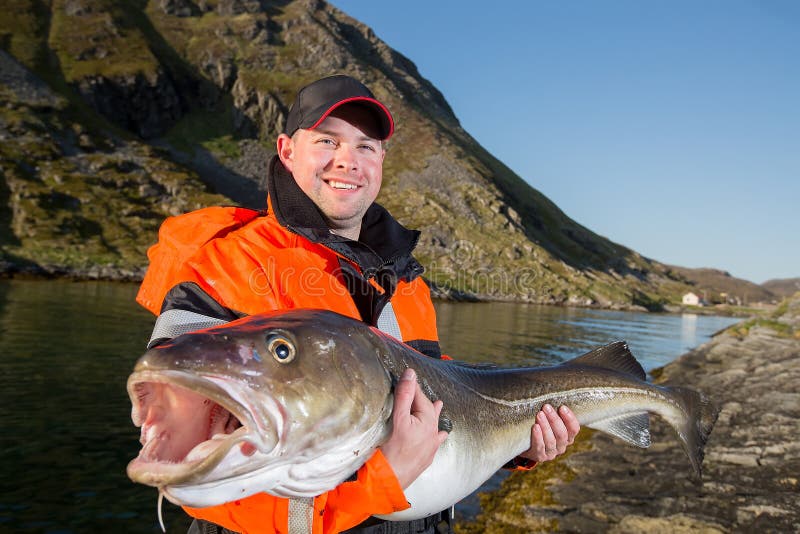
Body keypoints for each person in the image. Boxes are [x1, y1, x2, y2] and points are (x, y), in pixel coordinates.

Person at [136, 75, 580, 534]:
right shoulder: (218, 264)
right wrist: (374, 486)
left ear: (381, 161)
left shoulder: (407, 282)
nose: (348, 161)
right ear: (287, 151)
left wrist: (521, 445)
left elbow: (446, 404)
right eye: (328, 141)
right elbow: (189, 464)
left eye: (366, 147)